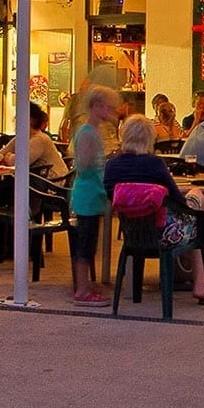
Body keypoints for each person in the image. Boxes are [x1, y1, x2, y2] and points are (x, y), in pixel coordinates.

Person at [102, 115, 204, 304]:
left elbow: (112, 197)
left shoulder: (112, 166)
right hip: (164, 233)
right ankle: (203, 284)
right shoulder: (155, 164)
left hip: (133, 234)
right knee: (196, 200)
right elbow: (178, 201)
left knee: (196, 217)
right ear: (150, 138)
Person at [70, 85, 118, 307]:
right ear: (96, 107)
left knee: (89, 242)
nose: (111, 112)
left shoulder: (92, 131)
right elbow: (86, 165)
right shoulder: (88, 133)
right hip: (88, 196)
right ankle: (82, 289)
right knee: (85, 244)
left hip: (92, 195)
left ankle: (85, 286)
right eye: (108, 107)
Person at [0, 102, 69, 181]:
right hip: (37, 181)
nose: (15, 120)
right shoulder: (21, 138)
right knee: (5, 185)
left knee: (7, 185)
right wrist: (8, 157)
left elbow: (19, 162)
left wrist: (8, 156)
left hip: (53, 182)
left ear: (30, 119)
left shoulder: (39, 139)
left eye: (18, 117)